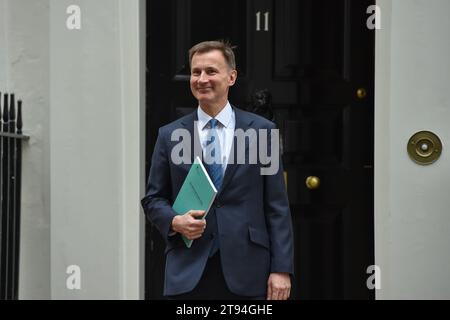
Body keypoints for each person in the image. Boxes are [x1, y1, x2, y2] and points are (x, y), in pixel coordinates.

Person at [141, 40, 294, 300]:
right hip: (188, 271)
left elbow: (276, 205)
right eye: (196, 72)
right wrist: (175, 221)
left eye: (211, 71)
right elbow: (153, 199)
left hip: (249, 270)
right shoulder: (169, 135)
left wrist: (281, 269)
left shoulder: (261, 132)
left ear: (231, 77)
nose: (202, 79)